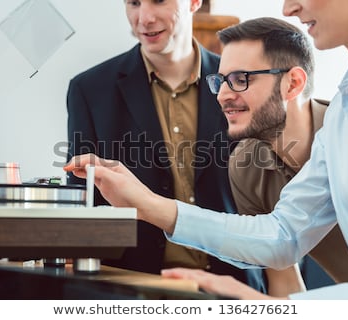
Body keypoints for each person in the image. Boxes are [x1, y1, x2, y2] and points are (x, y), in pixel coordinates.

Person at [64, 0, 348, 299]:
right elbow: (282, 235)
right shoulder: (345, 113)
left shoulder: (333, 117)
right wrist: (146, 204)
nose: (287, 9)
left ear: (293, 83)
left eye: (240, 79)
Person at [65, 0, 251, 285]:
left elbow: (267, 203)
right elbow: (83, 202)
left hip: (234, 283)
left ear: (194, 3)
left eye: (159, 1)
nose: (144, 18)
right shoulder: (89, 90)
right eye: (134, 3)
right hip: (131, 285)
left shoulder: (242, 83)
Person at [216, 17, 348, 296]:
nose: (222, 95)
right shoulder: (245, 166)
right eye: (221, 81)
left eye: (239, 79)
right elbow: (284, 281)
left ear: (292, 83)